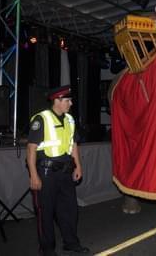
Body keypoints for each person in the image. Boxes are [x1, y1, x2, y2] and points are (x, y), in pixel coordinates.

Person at [27, 85, 89, 256]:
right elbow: (31, 149)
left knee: (69, 210)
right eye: (68, 100)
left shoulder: (70, 119)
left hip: (65, 173)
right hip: (45, 174)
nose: (71, 103)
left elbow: (73, 144)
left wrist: (78, 166)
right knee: (45, 212)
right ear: (57, 101)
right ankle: (47, 250)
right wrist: (33, 175)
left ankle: (71, 243)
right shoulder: (41, 119)